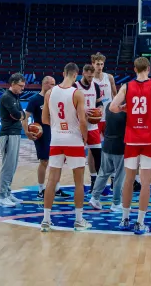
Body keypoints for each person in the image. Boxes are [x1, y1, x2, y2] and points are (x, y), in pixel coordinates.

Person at [110, 57, 151, 235]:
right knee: (145, 184)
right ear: (148, 69)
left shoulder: (127, 86)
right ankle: (139, 223)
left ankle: (124, 219)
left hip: (132, 139)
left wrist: (125, 108)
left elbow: (112, 107)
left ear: (135, 69)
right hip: (149, 139)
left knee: (128, 180)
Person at [41, 63, 91, 232]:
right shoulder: (77, 93)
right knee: (79, 182)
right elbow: (83, 121)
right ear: (76, 75)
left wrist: (57, 125)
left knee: (52, 180)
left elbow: (44, 119)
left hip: (56, 140)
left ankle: (46, 220)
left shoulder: (49, 92)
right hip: (74, 139)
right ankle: (78, 220)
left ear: (63, 73)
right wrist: (84, 137)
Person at [89, 94, 127, 212]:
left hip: (107, 144)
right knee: (120, 176)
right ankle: (116, 203)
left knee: (103, 173)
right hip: (120, 146)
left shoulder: (109, 106)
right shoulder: (126, 111)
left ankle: (94, 198)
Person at [25, 76, 61, 200]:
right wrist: (27, 132)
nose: (53, 87)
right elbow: (25, 116)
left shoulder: (55, 98)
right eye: (51, 84)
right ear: (44, 84)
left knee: (58, 161)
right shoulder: (35, 99)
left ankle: (57, 188)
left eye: (54, 84)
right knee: (44, 161)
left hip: (56, 132)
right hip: (42, 134)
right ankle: (41, 189)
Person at [0, 73, 27, 207]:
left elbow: (21, 114)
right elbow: (16, 114)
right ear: (13, 83)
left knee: (13, 165)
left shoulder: (15, 97)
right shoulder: (7, 97)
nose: (22, 88)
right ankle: (2, 197)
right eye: (20, 86)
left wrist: (21, 115)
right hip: (8, 134)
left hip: (15, 133)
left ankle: (7, 193)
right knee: (8, 166)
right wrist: (21, 115)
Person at [91, 52, 119, 196]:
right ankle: (93, 178)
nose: (100, 66)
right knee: (93, 149)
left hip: (108, 117)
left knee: (111, 149)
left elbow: (115, 96)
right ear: (93, 64)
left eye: (102, 64)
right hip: (95, 118)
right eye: (97, 64)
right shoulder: (89, 79)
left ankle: (113, 178)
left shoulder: (109, 77)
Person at [76, 64, 104, 191]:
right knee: (78, 158)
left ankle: (96, 183)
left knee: (98, 155)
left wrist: (100, 110)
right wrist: (83, 112)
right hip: (78, 128)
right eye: (89, 76)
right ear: (83, 73)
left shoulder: (96, 86)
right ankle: (80, 184)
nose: (91, 78)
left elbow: (100, 103)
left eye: (92, 76)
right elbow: (70, 107)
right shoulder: (74, 87)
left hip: (93, 127)